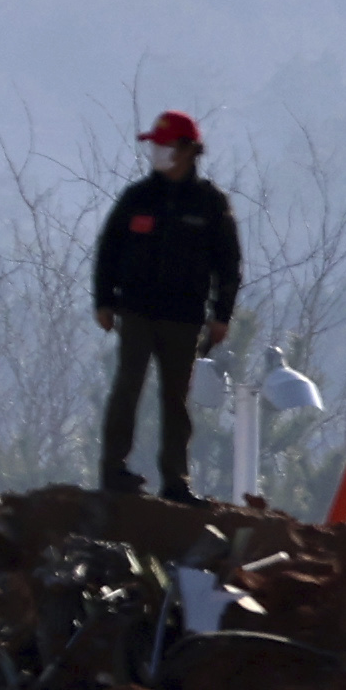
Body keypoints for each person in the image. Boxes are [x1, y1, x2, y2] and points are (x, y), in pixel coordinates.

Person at [89, 111, 245, 502]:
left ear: (189, 150)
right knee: (127, 388)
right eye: (154, 146)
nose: (157, 153)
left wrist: (221, 315)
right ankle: (114, 470)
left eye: (165, 146)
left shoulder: (210, 203)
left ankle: (176, 481)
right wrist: (104, 300)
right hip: (136, 311)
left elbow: (228, 263)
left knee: (175, 399)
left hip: (184, 317)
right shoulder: (138, 198)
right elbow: (108, 250)